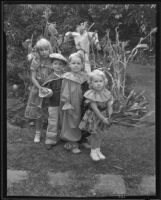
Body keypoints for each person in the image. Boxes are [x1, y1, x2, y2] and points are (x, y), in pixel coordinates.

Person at [79, 69, 113, 161]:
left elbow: (109, 105)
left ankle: (98, 150)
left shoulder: (106, 93)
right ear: (91, 83)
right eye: (96, 81)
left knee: (100, 134)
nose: (98, 84)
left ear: (104, 82)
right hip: (94, 117)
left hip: (103, 116)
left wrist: (109, 115)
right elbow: (95, 109)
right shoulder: (91, 94)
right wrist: (103, 119)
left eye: (100, 81)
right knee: (95, 134)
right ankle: (93, 151)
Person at [25, 38, 53, 143]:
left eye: (46, 49)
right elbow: (33, 77)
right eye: (41, 50)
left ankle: (50, 134)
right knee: (38, 113)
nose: (44, 52)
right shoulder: (36, 60)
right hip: (38, 90)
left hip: (49, 89)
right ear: (38, 51)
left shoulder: (52, 60)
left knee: (50, 112)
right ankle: (37, 133)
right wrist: (40, 88)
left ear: (49, 49)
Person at [60, 52, 88, 154]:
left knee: (82, 121)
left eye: (78, 63)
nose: (76, 65)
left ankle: (81, 139)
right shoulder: (68, 78)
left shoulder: (84, 77)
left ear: (82, 65)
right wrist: (67, 105)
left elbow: (87, 90)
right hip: (72, 105)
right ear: (69, 65)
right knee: (72, 122)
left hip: (82, 104)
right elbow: (65, 93)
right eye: (73, 63)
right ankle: (72, 143)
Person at [42, 53, 68, 149]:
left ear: (64, 66)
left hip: (65, 104)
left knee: (64, 121)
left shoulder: (66, 77)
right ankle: (50, 139)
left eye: (61, 64)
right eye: (56, 63)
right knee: (53, 121)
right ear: (52, 65)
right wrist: (47, 92)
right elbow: (44, 91)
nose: (58, 66)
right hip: (53, 104)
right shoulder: (50, 78)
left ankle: (63, 136)